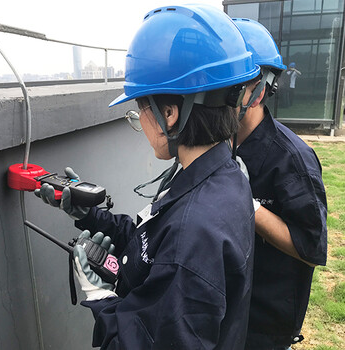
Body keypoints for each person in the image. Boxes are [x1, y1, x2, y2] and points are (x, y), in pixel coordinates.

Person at [35, 5, 260, 349]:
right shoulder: (222, 175)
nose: (140, 126)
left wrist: (100, 298)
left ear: (169, 113)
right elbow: (156, 244)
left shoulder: (193, 229)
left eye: (140, 112)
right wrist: (92, 216)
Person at [231, 18, 327, 350]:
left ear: (259, 89)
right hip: (224, 318)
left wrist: (248, 206)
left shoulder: (293, 160)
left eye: (231, 85)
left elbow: (312, 248)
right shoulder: (220, 145)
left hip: (263, 331)